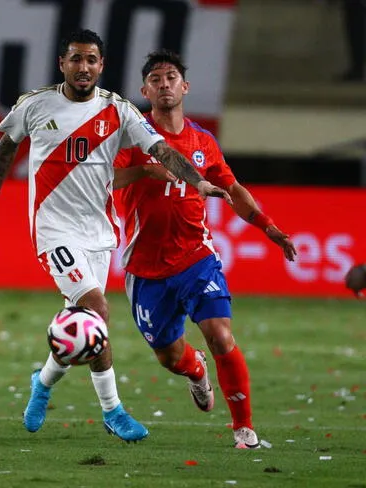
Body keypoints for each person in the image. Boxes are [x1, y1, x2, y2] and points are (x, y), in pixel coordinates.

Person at [0, 29, 232, 442]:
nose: (84, 67)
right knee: (96, 310)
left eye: (92, 60)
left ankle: (42, 384)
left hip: (99, 232)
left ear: (101, 66)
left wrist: (198, 183)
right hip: (53, 229)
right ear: (63, 63)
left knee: (80, 324)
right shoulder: (35, 104)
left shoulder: (119, 110)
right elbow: (8, 146)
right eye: (76, 59)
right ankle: (114, 411)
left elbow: (162, 151)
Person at [112, 50, 297, 448]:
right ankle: (196, 371)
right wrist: (145, 168)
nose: (164, 84)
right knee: (168, 355)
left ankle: (243, 429)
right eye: (156, 79)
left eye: (171, 77)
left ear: (185, 87)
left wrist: (268, 227)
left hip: (196, 257)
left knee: (220, 335)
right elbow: (107, 182)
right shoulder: (132, 137)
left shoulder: (202, 142)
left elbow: (232, 190)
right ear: (145, 90)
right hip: (145, 268)